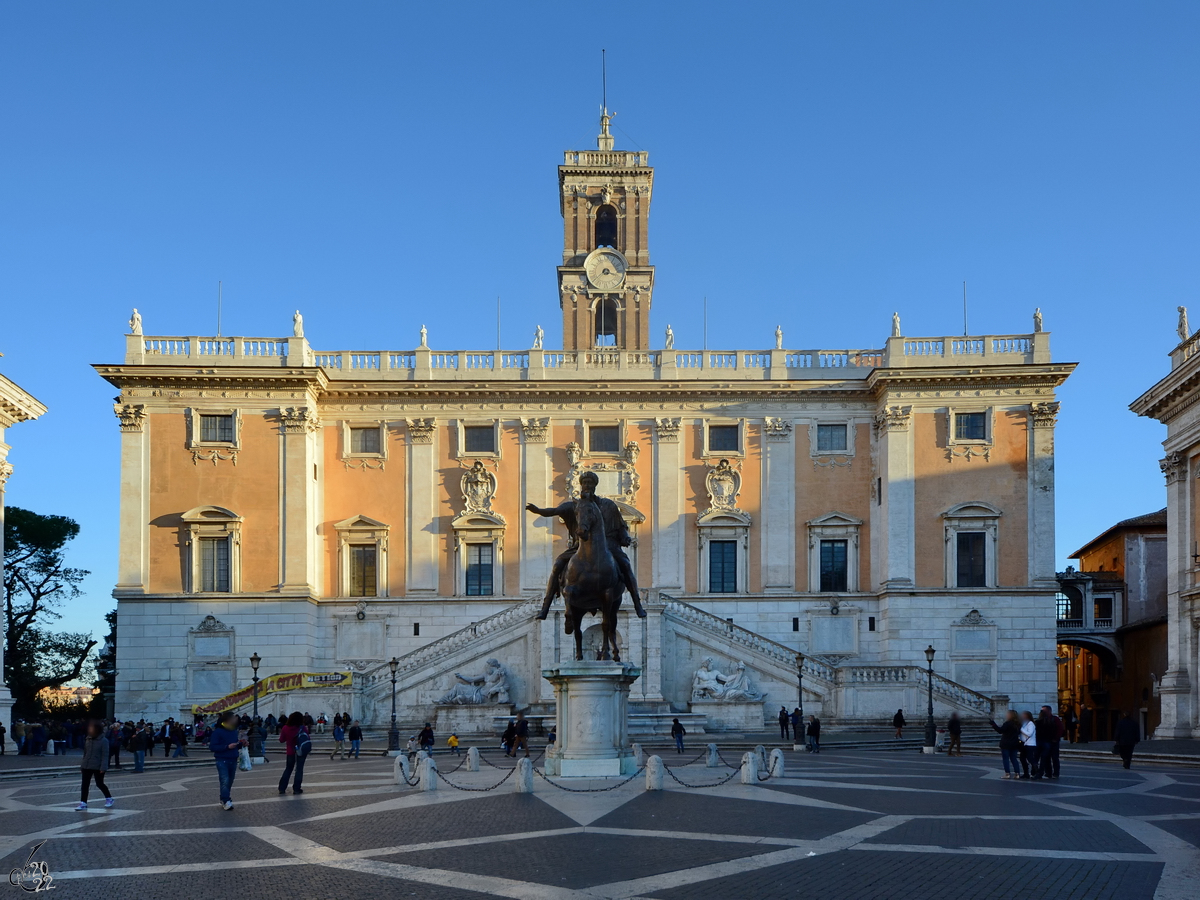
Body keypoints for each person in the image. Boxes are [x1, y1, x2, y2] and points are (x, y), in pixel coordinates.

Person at [209, 710, 245, 810]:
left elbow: (235, 744)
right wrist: (226, 747)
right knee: (224, 780)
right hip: (222, 759)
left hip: (233, 758)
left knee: (230, 781)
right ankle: (226, 800)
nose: (235, 719)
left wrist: (241, 744)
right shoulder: (218, 732)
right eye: (233, 718)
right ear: (228, 719)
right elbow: (212, 747)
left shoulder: (234, 731)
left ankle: (224, 798)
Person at [76, 721, 114, 810]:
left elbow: (105, 755)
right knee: (84, 785)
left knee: (99, 783)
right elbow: (85, 753)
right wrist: (82, 765)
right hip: (87, 765)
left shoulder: (104, 741)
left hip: (98, 765)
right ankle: (83, 802)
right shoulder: (88, 739)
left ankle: (109, 798)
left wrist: (103, 767)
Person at [278, 712, 308, 794]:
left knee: (288, 769)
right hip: (300, 751)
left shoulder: (285, 728)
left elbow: (281, 740)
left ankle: (282, 788)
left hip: (290, 751)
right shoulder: (302, 728)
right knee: (299, 769)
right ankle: (297, 788)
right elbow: (307, 737)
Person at [989, 710, 1022, 778]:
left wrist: (993, 724)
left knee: (1006, 759)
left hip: (1006, 743)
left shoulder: (1007, 723)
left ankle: (1007, 773)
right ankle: (1017, 773)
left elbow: (1000, 731)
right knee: (1014, 759)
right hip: (1015, 743)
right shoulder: (1018, 724)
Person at [1039, 705, 1062, 779]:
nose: (1042, 712)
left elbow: (1060, 729)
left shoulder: (1055, 719)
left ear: (1049, 711)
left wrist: (1056, 738)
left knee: (1055, 757)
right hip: (1046, 741)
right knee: (1046, 757)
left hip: (1054, 741)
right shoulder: (1042, 720)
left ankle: (1056, 773)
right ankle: (1048, 772)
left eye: (1044, 710)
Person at [1018, 710, 1037, 779]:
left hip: (1030, 744)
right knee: (1022, 758)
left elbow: (1029, 733)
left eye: (1024, 715)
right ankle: (1026, 773)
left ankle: (1036, 771)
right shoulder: (1024, 723)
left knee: (1030, 758)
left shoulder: (1030, 723)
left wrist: (1021, 729)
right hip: (1024, 743)